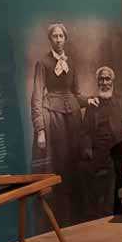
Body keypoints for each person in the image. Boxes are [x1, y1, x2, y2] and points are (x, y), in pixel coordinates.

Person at [30, 23, 93, 222]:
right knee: (59, 162)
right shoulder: (43, 62)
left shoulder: (71, 62)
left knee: (74, 161)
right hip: (54, 116)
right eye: (55, 36)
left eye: (61, 36)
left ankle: (78, 213)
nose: (58, 39)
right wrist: (40, 128)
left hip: (73, 115)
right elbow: (37, 96)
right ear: (50, 39)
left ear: (65, 39)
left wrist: (88, 100)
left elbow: (76, 93)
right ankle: (60, 214)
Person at [82, 66, 122, 217]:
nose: (104, 82)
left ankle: (113, 213)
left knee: (115, 183)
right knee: (94, 186)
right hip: (97, 150)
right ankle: (97, 216)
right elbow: (85, 131)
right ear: (98, 82)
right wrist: (87, 149)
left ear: (112, 81)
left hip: (118, 148)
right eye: (101, 79)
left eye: (107, 78)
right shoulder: (92, 105)